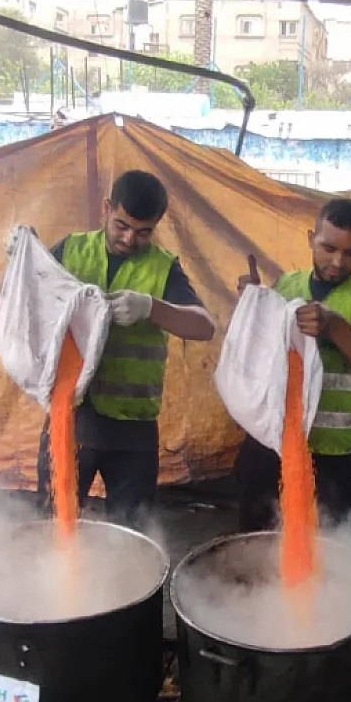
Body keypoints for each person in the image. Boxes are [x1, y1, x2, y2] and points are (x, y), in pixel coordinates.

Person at [37, 170, 216, 526]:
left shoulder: (163, 268)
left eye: (144, 231)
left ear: (157, 225)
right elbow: (15, 300)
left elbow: (203, 326)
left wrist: (152, 307)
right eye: (121, 225)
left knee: (133, 537)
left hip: (133, 430)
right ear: (107, 208)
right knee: (54, 528)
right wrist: (18, 263)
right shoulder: (71, 250)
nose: (130, 239)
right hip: (70, 418)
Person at [232, 199, 351, 532]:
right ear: (310, 238)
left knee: (323, 557)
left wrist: (336, 327)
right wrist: (253, 303)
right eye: (328, 248)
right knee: (256, 545)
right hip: (270, 444)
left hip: (331, 457)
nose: (337, 262)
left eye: (350, 253)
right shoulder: (285, 286)